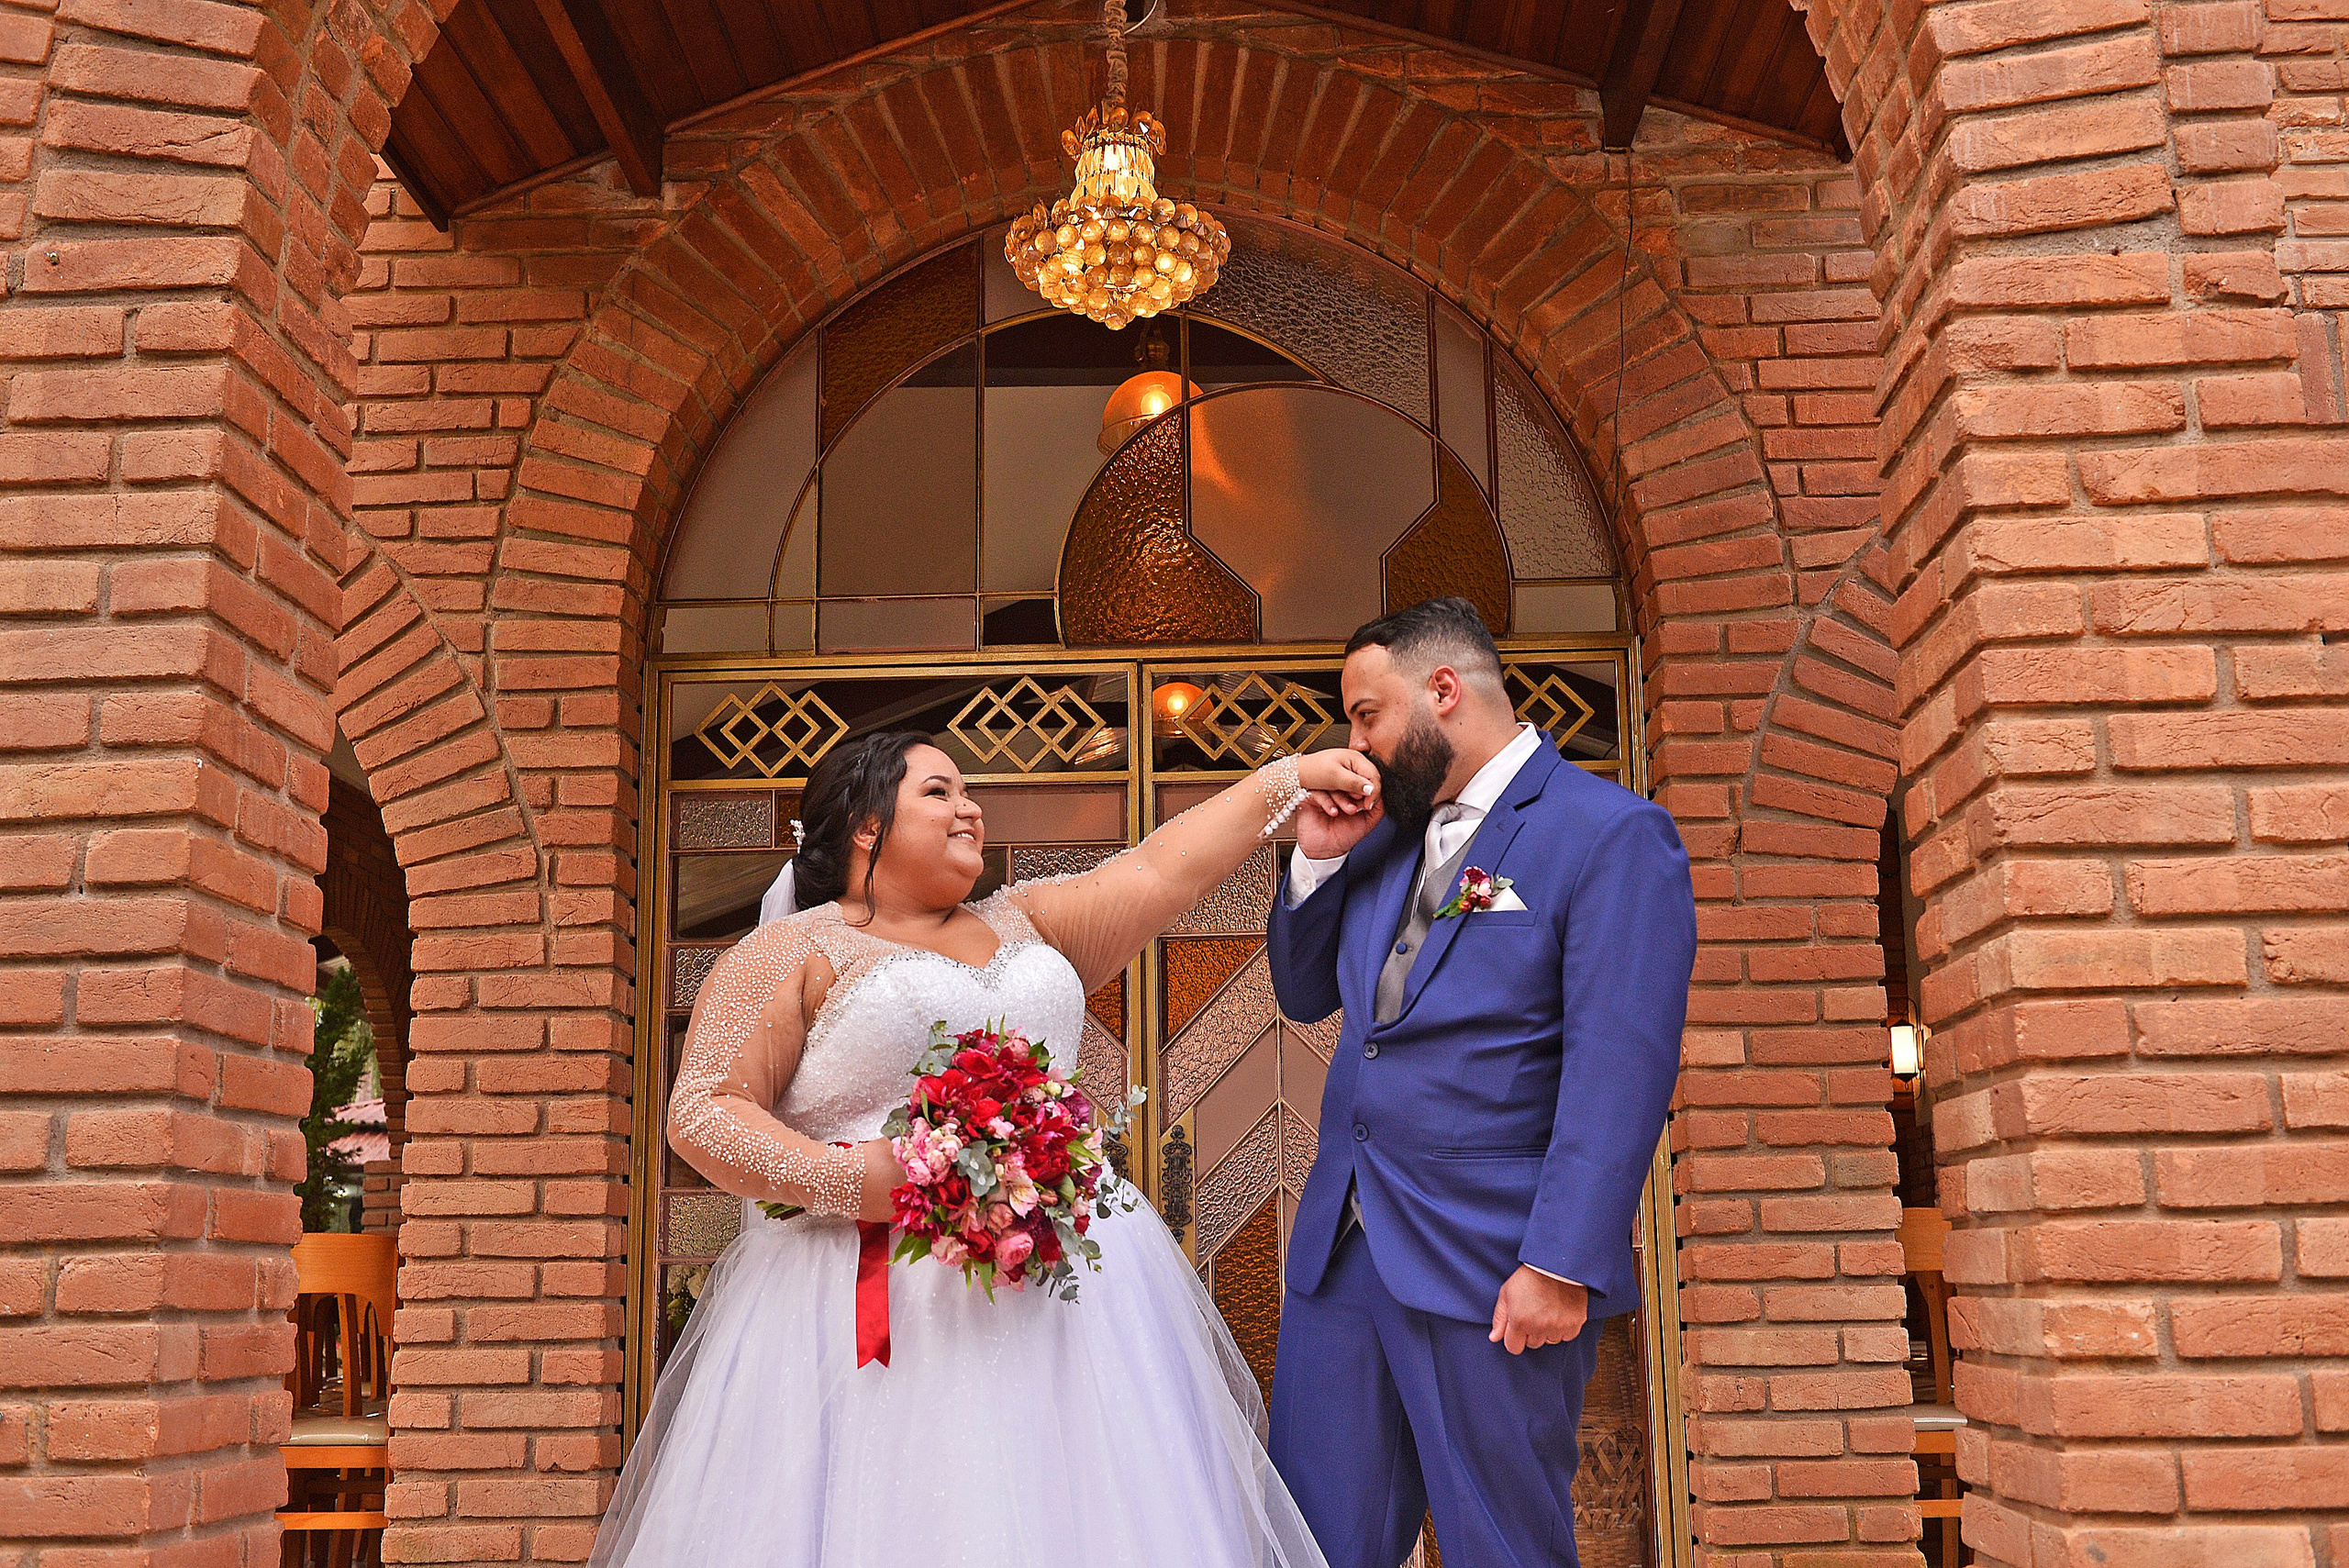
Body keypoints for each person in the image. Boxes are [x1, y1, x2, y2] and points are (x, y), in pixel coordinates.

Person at [589, 729, 1379, 1568]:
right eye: (939, 791)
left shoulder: (1026, 919)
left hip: (1066, 1301)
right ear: (865, 823)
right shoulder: (792, 950)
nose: (970, 806)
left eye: (966, 790)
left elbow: (1158, 870)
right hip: (864, 1305)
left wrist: (1286, 782)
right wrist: (852, 1176)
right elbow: (704, 1112)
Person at [1265, 597, 1697, 1568]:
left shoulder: (1611, 834)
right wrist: (1313, 863)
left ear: (1443, 691)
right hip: (1343, 1250)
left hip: (1493, 1259)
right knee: (1308, 1542)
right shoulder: (1379, 834)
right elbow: (1302, 992)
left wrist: (1560, 1259)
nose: (1355, 744)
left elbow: (1618, 1064)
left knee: (1498, 1544)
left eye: (1367, 713)